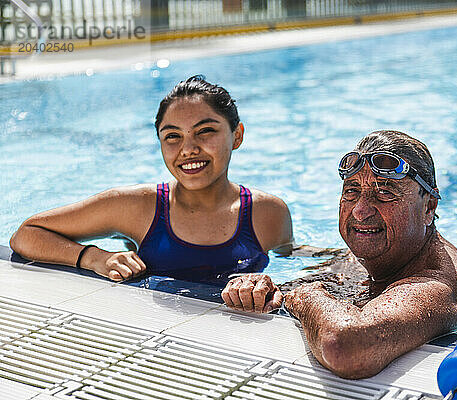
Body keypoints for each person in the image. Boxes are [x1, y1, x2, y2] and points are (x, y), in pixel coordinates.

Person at [221, 130, 457, 379]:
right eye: (351, 191)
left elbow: (348, 347)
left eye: (384, 192)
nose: (361, 211)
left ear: (428, 207)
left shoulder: (437, 283)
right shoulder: (378, 254)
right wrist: (258, 288)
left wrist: (304, 296)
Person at [10, 75, 293, 283]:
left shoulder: (268, 212)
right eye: (173, 136)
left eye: (205, 131)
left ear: (237, 135)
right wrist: (95, 257)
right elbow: (27, 234)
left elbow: (288, 260)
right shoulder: (135, 207)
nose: (188, 149)